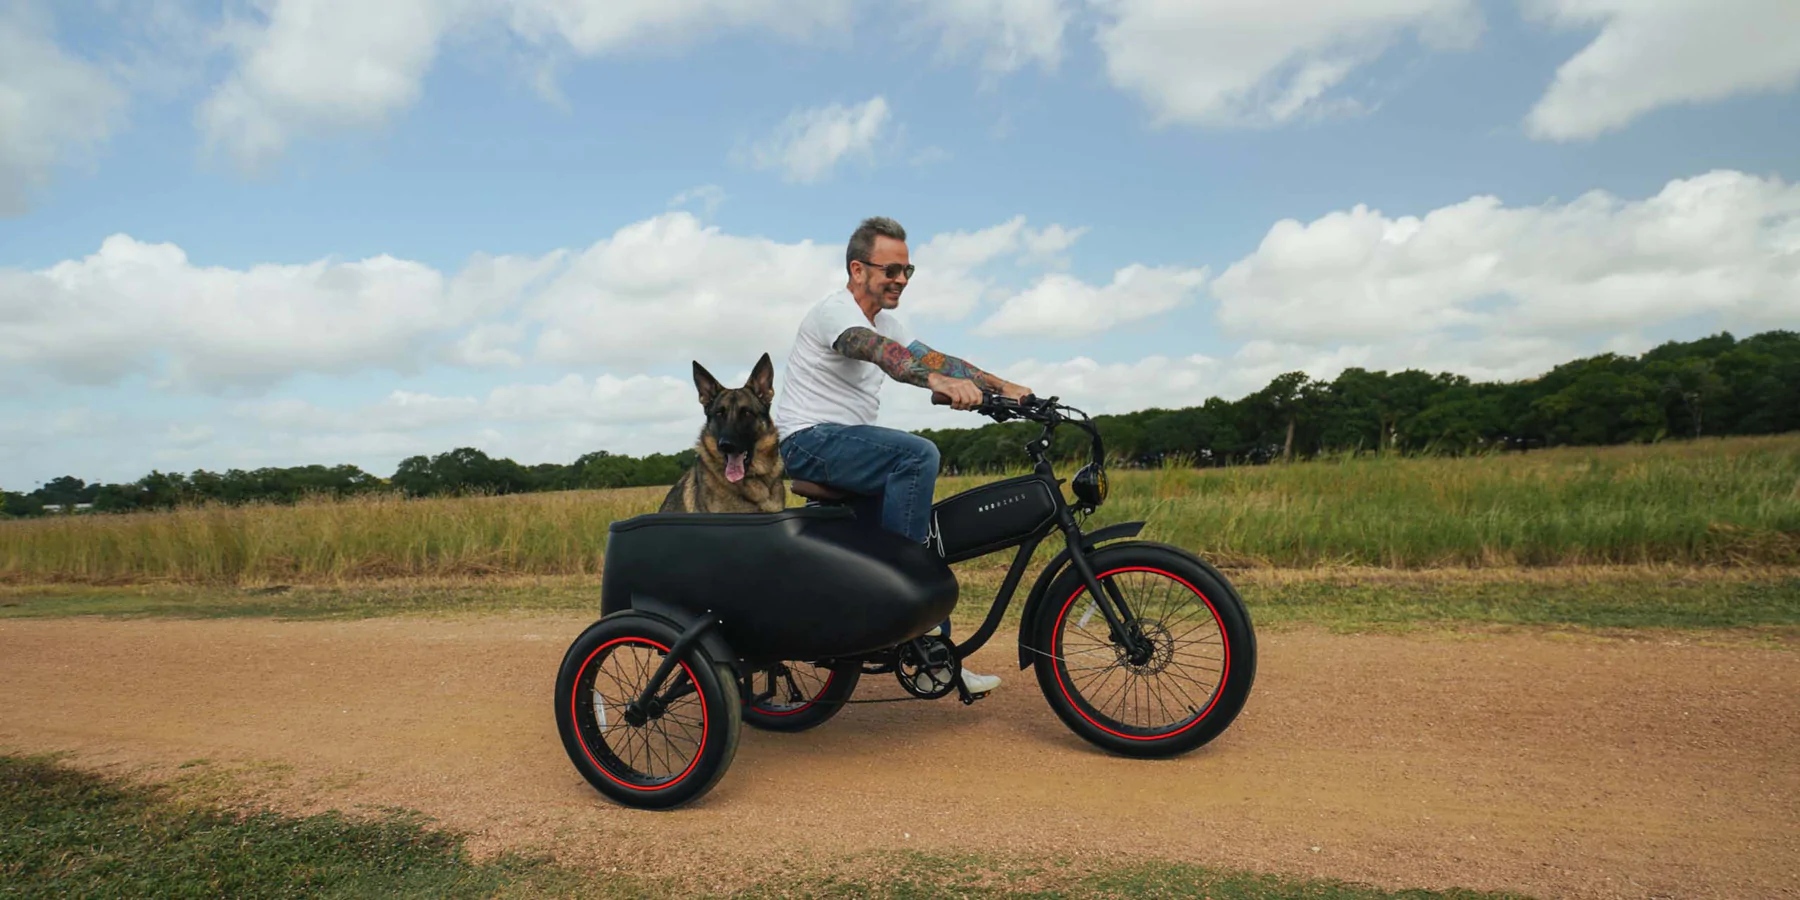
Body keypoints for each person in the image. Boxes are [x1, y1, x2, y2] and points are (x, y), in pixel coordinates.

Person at [772, 215, 1033, 697]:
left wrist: (1002, 387)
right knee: (916, 457)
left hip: (848, 445)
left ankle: (933, 653)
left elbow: (935, 359)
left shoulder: (890, 322)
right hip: (808, 440)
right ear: (857, 270)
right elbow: (879, 353)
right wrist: (935, 382)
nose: (900, 281)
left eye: (907, 271)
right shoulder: (835, 313)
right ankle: (900, 600)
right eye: (891, 270)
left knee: (920, 530)